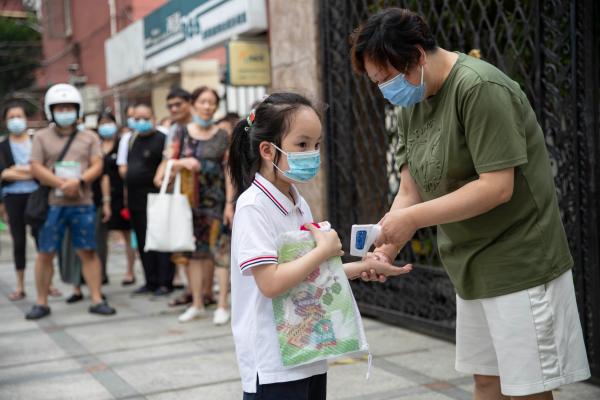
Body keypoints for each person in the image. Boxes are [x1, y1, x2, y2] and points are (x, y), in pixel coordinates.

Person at [350, 8, 590, 400]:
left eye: (388, 78)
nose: (385, 89)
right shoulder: (413, 102)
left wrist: (410, 218)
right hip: (470, 267)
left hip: (519, 262)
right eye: (378, 82)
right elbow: (410, 190)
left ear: (418, 55)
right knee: (486, 382)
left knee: (528, 390)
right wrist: (387, 244)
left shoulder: (479, 88)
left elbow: (497, 187)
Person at [227, 92, 411, 399]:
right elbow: (270, 283)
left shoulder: (297, 201)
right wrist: (321, 251)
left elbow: (312, 274)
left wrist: (364, 266)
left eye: (316, 144)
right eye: (302, 144)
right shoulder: (253, 207)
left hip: (308, 352)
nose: (312, 153)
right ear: (267, 150)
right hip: (274, 363)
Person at [25, 83, 116, 319]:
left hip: (83, 203)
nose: (64, 112)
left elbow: (97, 164)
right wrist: (60, 184)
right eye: (59, 108)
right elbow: (35, 166)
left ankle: (96, 298)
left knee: (88, 250)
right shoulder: (42, 137)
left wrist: (80, 182)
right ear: (50, 110)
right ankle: (41, 302)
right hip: (52, 205)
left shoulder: (89, 137)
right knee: (46, 253)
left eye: (69, 107)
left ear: (78, 109)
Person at [156, 86, 232, 324]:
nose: (207, 107)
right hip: (188, 203)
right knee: (194, 254)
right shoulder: (180, 132)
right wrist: (182, 163)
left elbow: (229, 171)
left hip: (217, 203)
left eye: (212, 103)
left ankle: (221, 305)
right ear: (194, 104)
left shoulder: (223, 135)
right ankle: (197, 303)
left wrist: (230, 203)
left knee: (220, 253)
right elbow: (169, 161)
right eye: (203, 102)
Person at [117, 103, 174, 296]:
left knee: (160, 241)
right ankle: (150, 280)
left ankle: (165, 281)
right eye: (137, 118)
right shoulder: (131, 139)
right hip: (135, 199)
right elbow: (125, 166)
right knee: (142, 242)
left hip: (157, 198)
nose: (141, 122)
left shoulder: (162, 139)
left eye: (145, 118)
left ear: (154, 118)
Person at [0, 102, 39, 300]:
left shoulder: (35, 141)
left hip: (36, 196)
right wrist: (28, 171)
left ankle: (46, 284)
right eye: (11, 117)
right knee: (19, 241)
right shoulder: (3, 146)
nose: (16, 120)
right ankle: (20, 285)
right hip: (12, 198)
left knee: (42, 239)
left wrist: (17, 170)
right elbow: (3, 174)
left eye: (19, 116)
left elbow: (40, 171)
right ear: (6, 121)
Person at [97, 112, 136, 286]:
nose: (106, 126)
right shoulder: (95, 145)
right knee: (100, 237)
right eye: (102, 123)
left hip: (121, 195)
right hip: (100, 196)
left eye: (109, 122)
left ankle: (130, 271)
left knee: (127, 235)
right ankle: (100, 272)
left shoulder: (123, 144)